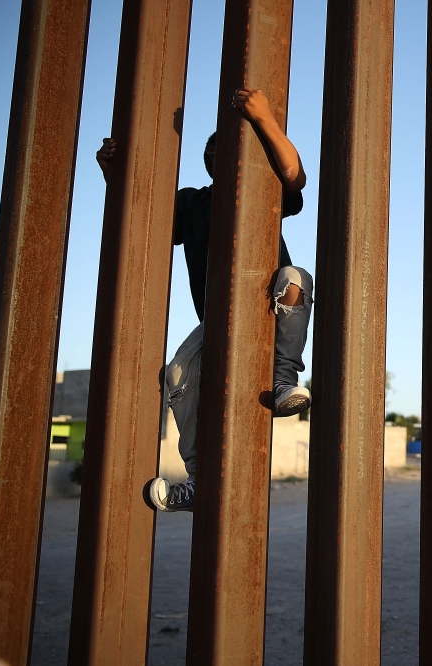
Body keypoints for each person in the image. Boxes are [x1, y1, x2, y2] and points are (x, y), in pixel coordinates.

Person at [95, 87, 313, 512]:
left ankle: (283, 379)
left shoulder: (267, 190)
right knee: (177, 371)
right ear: (211, 164)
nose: (225, 156)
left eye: (236, 149)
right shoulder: (194, 202)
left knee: (294, 276)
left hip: (269, 304)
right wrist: (113, 175)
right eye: (217, 152)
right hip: (219, 319)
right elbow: (143, 217)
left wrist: (264, 118)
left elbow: (294, 175)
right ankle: (197, 477)